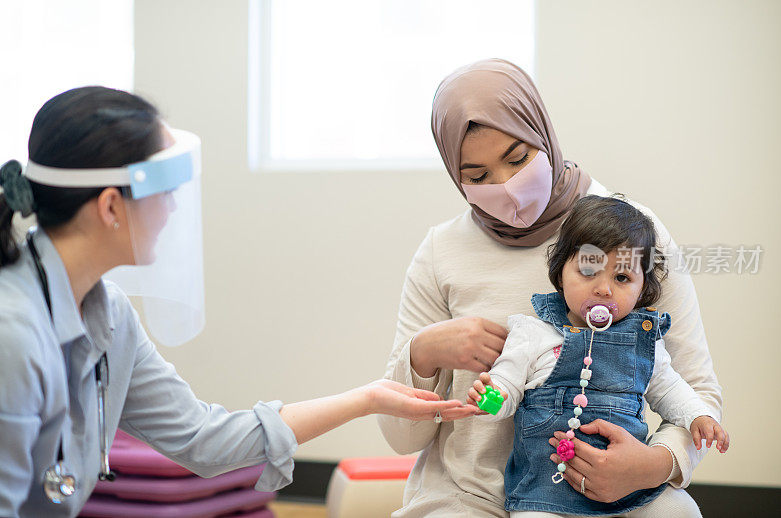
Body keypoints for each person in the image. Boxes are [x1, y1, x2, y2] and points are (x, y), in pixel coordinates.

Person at [0, 86, 473, 518]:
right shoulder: (13, 335)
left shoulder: (109, 315)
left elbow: (202, 439)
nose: (172, 209)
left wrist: (366, 399)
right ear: (109, 208)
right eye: (165, 192)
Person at [379, 59, 723, 517]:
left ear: (542, 133)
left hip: (617, 495)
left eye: (519, 159)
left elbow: (694, 389)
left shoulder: (633, 232)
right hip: (468, 497)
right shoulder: (442, 250)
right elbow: (403, 439)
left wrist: (654, 465)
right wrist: (423, 355)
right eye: (478, 177)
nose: (507, 188)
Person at [466, 195, 729, 517]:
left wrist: (699, 416)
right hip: (546, 490)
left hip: (630, 489)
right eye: (589, 271)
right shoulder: (534, 333)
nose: (604, 289)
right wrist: (491, 397)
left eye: (622, 278)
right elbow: (507, 380)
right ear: (560, 272)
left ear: (643, 288)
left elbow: (670, 389)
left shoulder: (644, 343)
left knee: (681, 510)